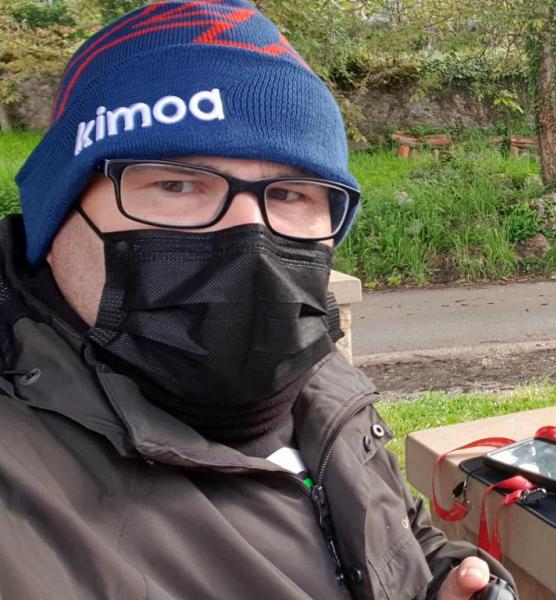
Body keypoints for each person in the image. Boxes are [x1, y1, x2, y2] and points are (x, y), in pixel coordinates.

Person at [0, 1, 513, 598]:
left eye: (292, 193)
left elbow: (393, 534)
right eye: (176, 183)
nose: (251, 233)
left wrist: (443, 578)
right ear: (58, 216)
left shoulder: (318, 376)